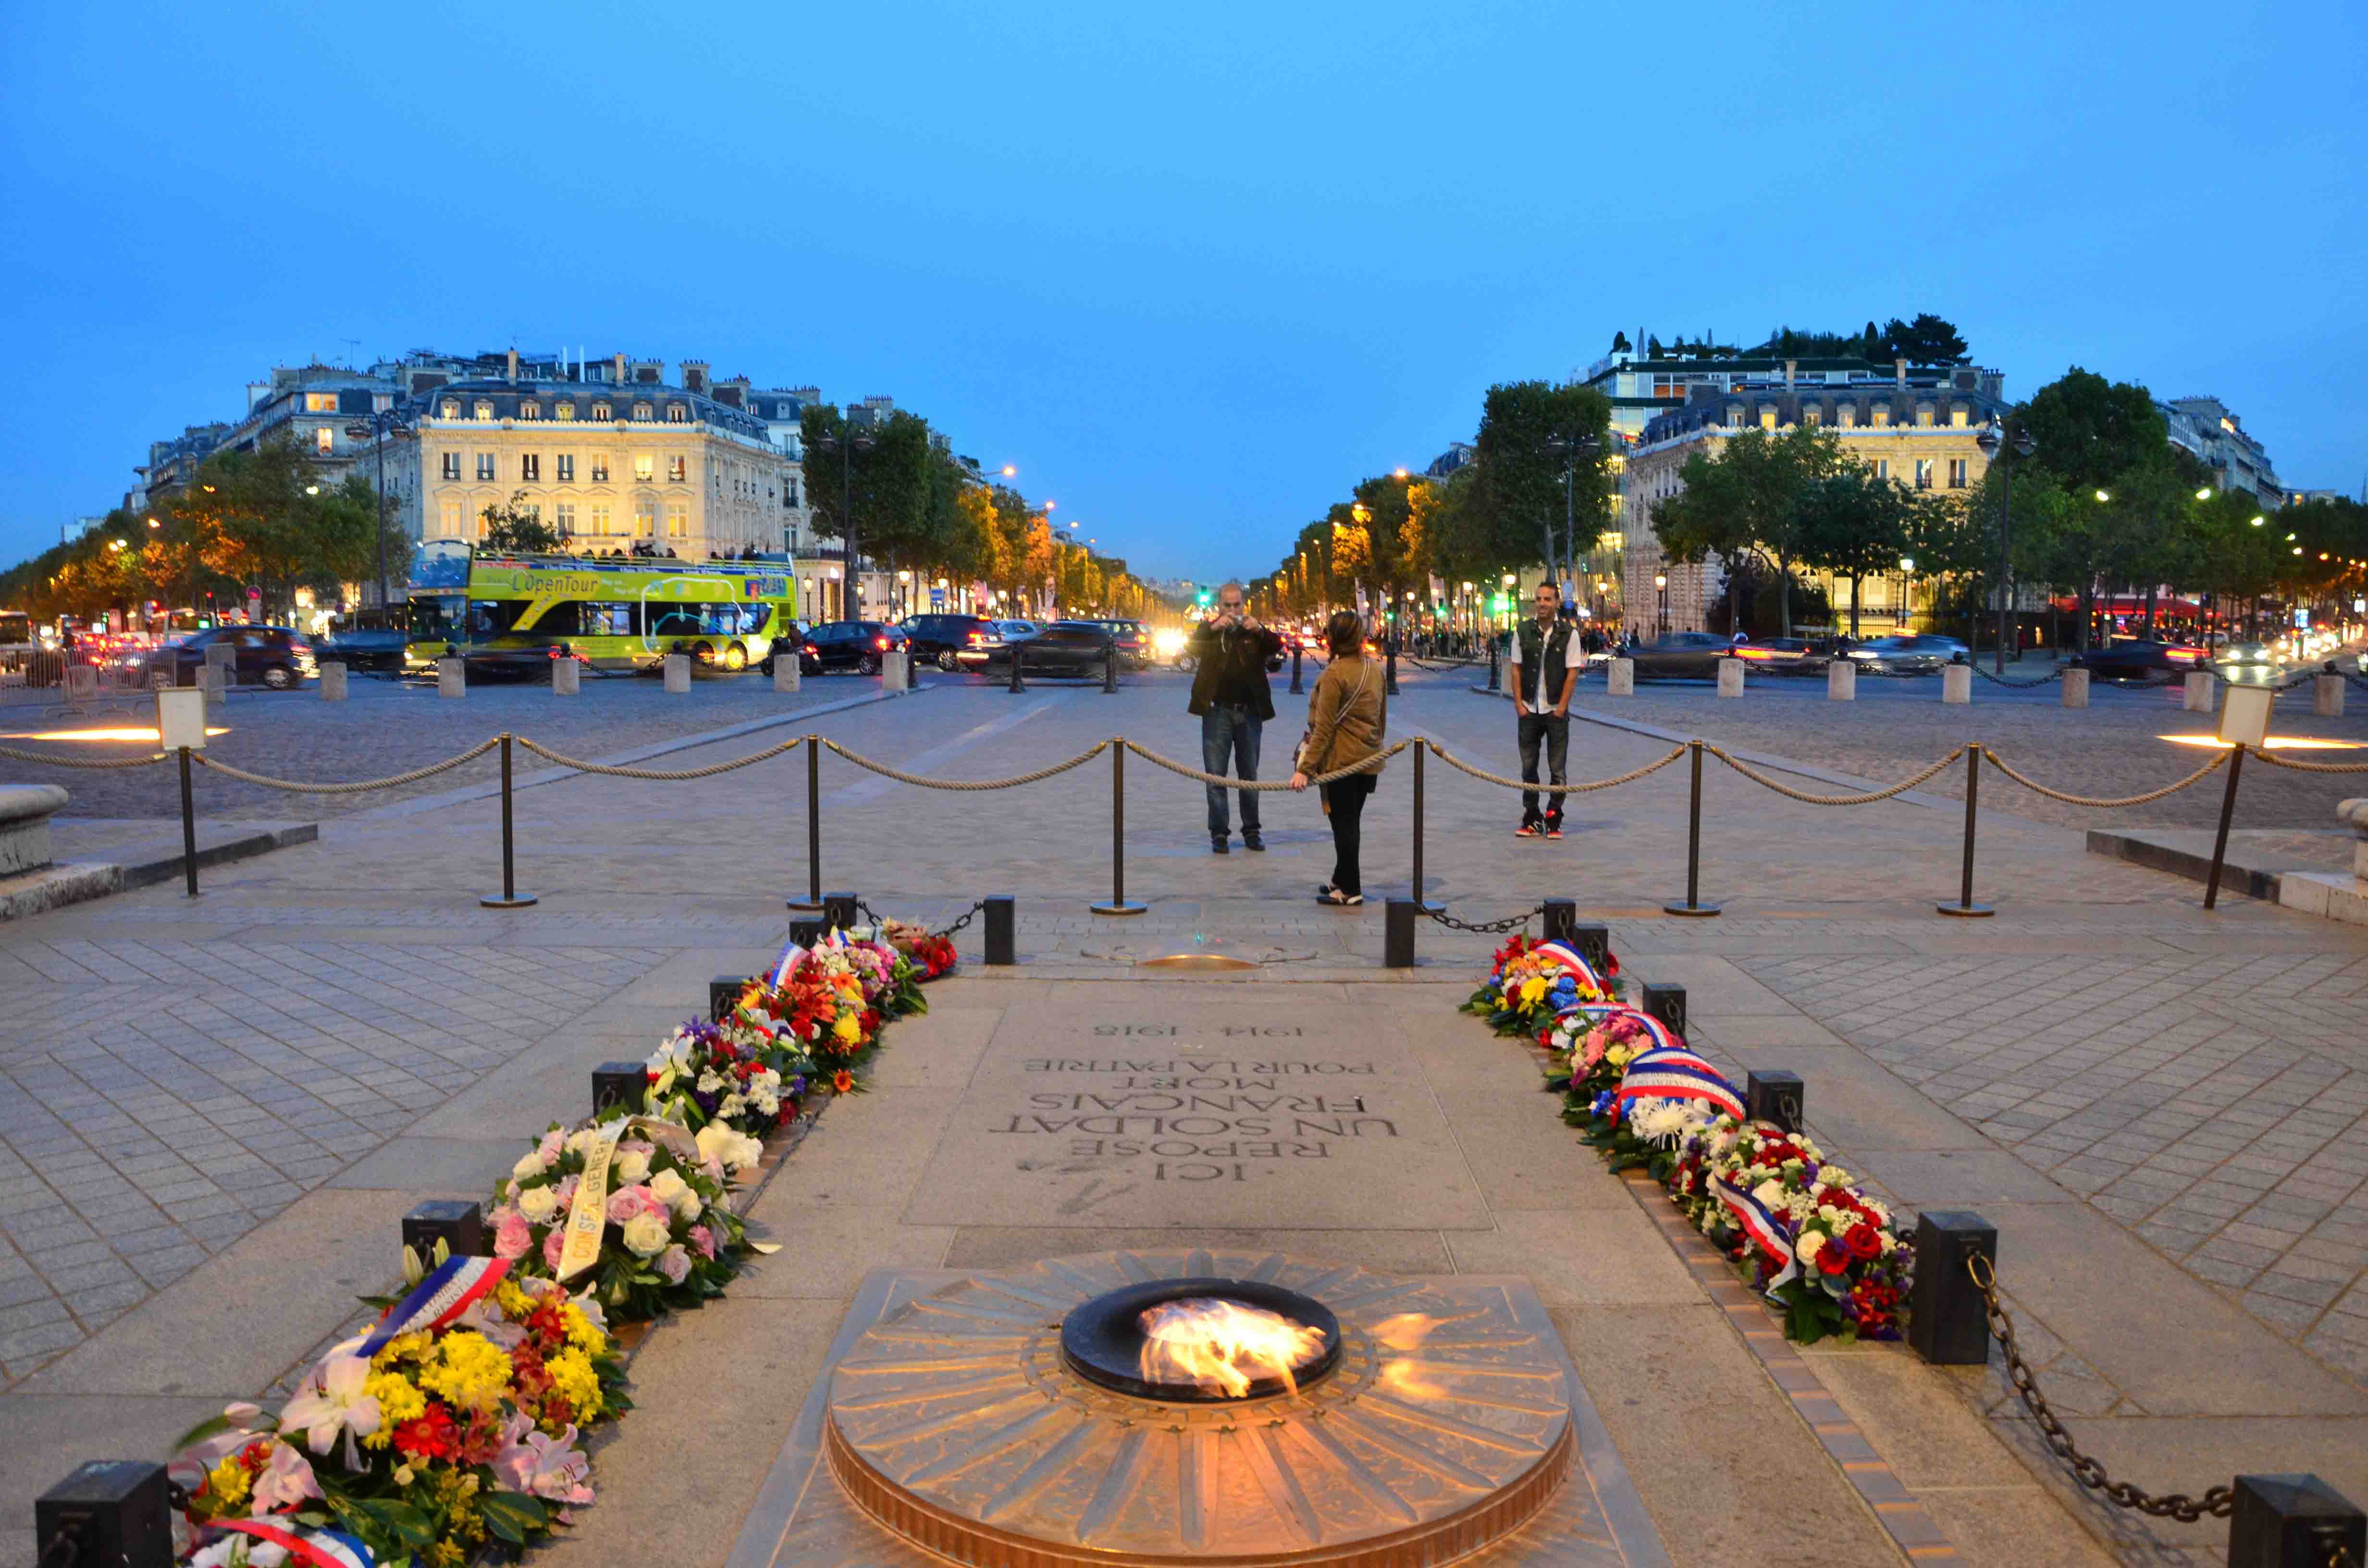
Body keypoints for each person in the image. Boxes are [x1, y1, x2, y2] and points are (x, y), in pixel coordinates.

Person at [1289, 610, 1388, 906]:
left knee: (1343, 825)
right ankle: (1340, 878)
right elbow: (1382, 719)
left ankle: (1351, 890)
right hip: (1368, 760)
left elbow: (1324, 729)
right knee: (1351, 821)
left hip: (1341, 761)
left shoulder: (1334, 675)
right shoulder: (1375, 670)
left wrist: (1304, 769)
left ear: (1332, 638)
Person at [1186, 581, 1283, 854]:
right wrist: (1211, 628)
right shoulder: (1210, 630)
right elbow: (1191, 648)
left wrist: (1261, 630)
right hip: (1217, 711)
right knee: (1216, 775)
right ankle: (1219, 833)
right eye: (1227, 606)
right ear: (1219, 606)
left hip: (1249, 711)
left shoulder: (1253, 631)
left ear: (1244, 604)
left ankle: (1252, 831)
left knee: (1249, 775)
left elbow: (1277, 646)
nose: (1232, 610)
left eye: (1236, 605)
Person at [1507, 580, 1579, 839]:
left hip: (1555, 711)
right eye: (1539, 599)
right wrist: (1518, 705)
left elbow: (1573, 673)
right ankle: (1531, 815)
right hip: (1529, 707)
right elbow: (1516, 668)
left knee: (1557, 768)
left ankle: (1554, 816)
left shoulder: (1568, 634)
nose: (1542, 604)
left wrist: (1561, 708)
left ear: (1557, 603)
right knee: (1528, 768)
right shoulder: (1523, 631)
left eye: (1548, 600)